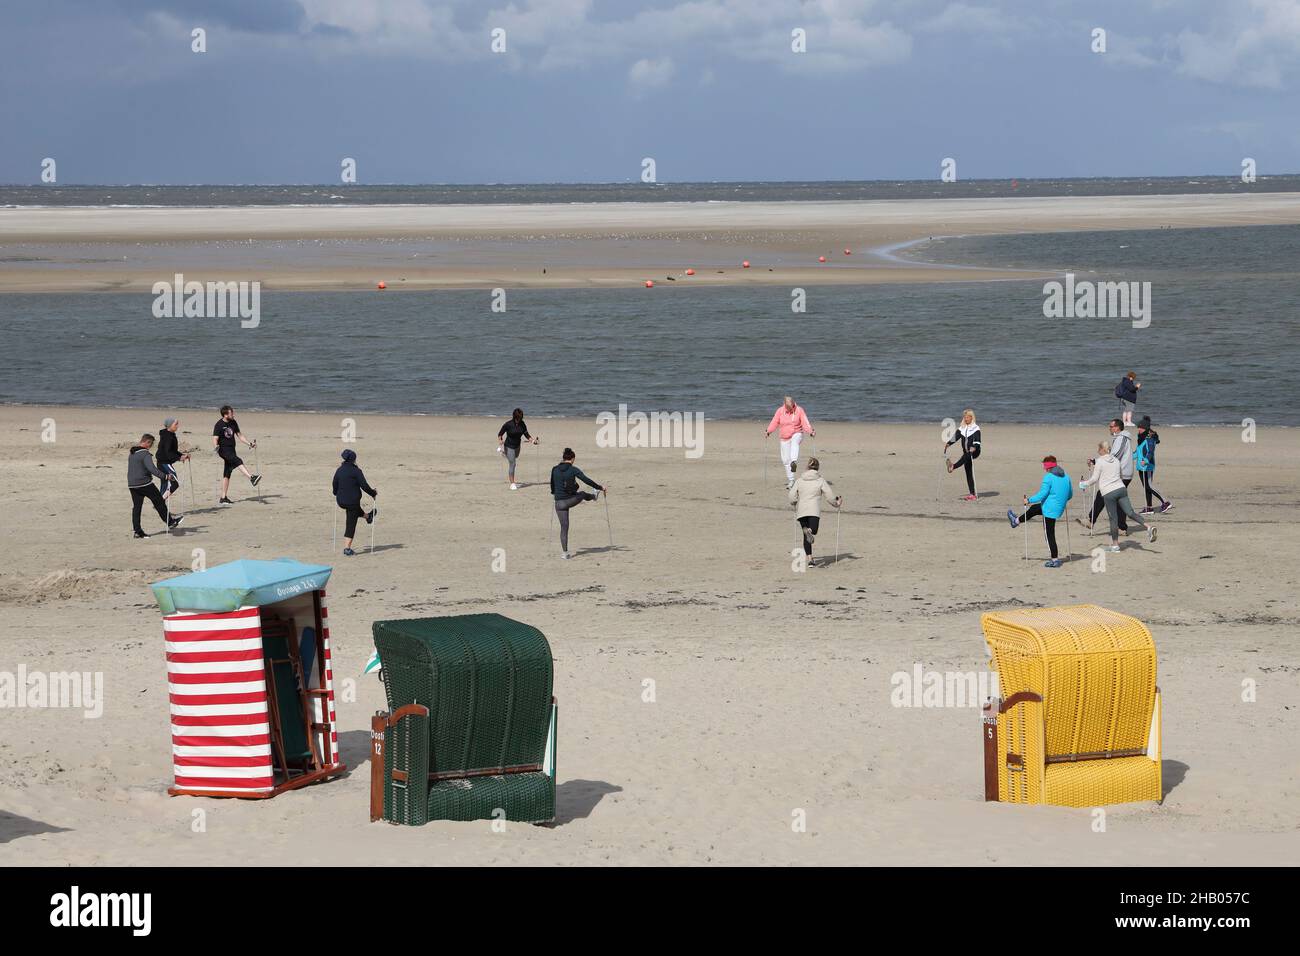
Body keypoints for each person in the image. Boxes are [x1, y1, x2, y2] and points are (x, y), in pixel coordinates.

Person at [1079, 441, 1156, 552]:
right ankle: (1148, 527)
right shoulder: (1116, 460)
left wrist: (1083, 484)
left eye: (1098, 448)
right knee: (1130, 513)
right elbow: (1120, 475)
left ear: (1102, 449)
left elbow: (1094, 479)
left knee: (1113, 519)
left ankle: (1115, 545)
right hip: (1121, 489)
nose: (1097, 450)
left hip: (1108, 492)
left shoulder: (1100, 461)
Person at [1007, 455, 1073, 568]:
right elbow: (1070, 494)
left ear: (1048, 467)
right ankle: (1016, 521)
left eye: (1044, 466)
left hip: (1050, 510)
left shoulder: (1049, 477)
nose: (1044, 469)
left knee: (1049, 534)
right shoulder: (1066, 476)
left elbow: (1042, 495)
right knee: (1034, 509)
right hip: (1058, 507)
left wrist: (1028, 500)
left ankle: (1055, 560)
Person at [550, 448, 606, 559]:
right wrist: (600, 487)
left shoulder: (554, 469)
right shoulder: (573, 469)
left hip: (558, 503)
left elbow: (552, 485)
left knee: (564, 528)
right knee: (583, 494)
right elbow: (586, 480)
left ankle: (565, 553)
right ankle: (594, 496)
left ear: (563, 458)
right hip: (570, 500)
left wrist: (555, 494)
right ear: (572, 459)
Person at [1080, 419, 1134, 533]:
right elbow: (1112, 456)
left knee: (1103, 494)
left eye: (1111, 426)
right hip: (1120, 473)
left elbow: (1116, 455)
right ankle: (1121, 527)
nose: (1109, 428)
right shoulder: (1118, 438)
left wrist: (1098, 462)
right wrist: (1096, 461)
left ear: (1117, 427)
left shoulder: (1122, 438)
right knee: (1118, 500)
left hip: (1122, 474)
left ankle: (1091, 520)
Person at [788, 456, 842, 568]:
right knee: (814, 530)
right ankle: (810, 531)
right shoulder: (820, 480)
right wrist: (836, 503)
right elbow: (830, 496)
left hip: (801, 511)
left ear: (807, 467)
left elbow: (792, 495)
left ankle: (810, 560)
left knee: (806, 536)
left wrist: (793, 502)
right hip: (813, 510)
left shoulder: (799, 480)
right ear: (818, 468)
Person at [128, 433, 183, 538]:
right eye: (151, 444)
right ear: (147, 442)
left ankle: (137, 531)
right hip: (144, 484)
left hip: (132, 485)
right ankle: (170, 522)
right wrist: (166, 477)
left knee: (137, 508)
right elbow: (152, 469)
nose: (151, 446)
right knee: (159, 502)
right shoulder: (145, 454)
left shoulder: (132, 453)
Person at [331, 449, 377, 556]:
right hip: (352, 501)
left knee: (355, 509)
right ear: (353, 460)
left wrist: (335, 493)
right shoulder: (356, 471)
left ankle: (368, 517)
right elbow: (364, 486)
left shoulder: (339, 470)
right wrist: (373, 493)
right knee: (351, 522)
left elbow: (334, 483)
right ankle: (347, 548)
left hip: (340, 501)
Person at [212, 405, 261, 504]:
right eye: (231, 413)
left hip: (231, 449)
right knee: (238, 461)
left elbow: (240, 435)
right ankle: (252, 478)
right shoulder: (219, 424)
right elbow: (215, 438)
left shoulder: (233, 422)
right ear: (225, 415)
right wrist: (216, 446)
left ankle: (223, 498)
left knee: (227, 472)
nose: (233, 414)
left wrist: (250, 443)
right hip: (223, 450)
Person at [765, 396, 815, 490]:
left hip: (797, 433)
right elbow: (774, 422)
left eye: (792, 406)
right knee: (785, 460)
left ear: (793, 403)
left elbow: (805, 422)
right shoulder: (780, 411)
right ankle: (791, 480)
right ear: (784, 405)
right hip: (784, 437)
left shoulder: (799, 410)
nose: (791, 408)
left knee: (795, 442)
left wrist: (811, 431)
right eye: (788, 407)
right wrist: (768, 431)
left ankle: (794, 461)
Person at [1135, 416, 1172, 514]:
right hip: (1140, 466)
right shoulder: (1140, 437)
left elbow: (1150, 451)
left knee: (1150, 486)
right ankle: (1149, 507)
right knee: (1146, 487)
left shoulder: (1149, 438)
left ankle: (1166, 502)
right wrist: (1127, 457)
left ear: (1146, 428)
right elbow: (1137, 452)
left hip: (1147, 466)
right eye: (1138, 427)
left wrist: (1146, 460)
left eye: (1141, 427)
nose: (1139, 429)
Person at [944, 408, 982, 501]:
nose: (966, 419)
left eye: (967, 417)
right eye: (965, 417)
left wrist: (974, 447)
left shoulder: (975, 428)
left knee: (967, 455)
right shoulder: (962, 428)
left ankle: (953, 466)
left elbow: (978, 441)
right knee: (968, 472)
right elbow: (955, 437)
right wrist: (948, 444)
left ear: (971, 417)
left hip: (975, 451)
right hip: (966, 453)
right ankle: (972, 494)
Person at [497, 408, 538, 490]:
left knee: (515, 457)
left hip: (517, 446)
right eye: (518, 418)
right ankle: (512, 483)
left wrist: (533, 441)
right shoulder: (508, 424)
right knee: (513, 464)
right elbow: (500, 434)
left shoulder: (522, 424)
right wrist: (500, 440)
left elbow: (526, 434)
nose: (519, 420)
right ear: (514, 417)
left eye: (520, 418)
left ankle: (503, 453)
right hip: (509, 445)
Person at [156, 417, 190, 504]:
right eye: (176, 424)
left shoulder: (170, 434)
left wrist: (182, 455)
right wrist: (179, 458)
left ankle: (160, 505)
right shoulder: (167, 436)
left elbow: (173, 451)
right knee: (175, 484)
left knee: (164, 484)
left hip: (163, 462)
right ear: (169, 425)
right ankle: (160, 502)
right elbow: (168, 452)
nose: (177, 426)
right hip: (164, 463)